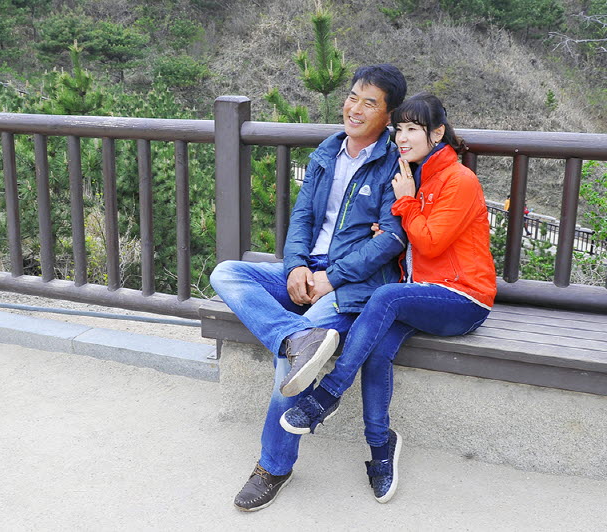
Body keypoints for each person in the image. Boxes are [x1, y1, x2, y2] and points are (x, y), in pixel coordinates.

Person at [278, 92, 497, 503]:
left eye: (413, 129)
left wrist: (406, 203)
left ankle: (327, 395)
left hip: (463, 298)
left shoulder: (458, 179)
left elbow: (430, 242)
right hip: (419, 294)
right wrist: (398, 216)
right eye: (399, 129)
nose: (402, 138)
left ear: (437, 134)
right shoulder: (414, 174)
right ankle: (381, 448)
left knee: (386, 297)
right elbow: (408, 241)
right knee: (377, 353)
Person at [210, 64, 409, 511]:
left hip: (349, 284)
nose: (355, 108)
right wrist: (296, 266)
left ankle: (273, 467)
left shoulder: (393, 164)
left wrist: (330, 278)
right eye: (353, 97)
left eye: (369, 103)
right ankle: (292, 334)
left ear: (388, 115)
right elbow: (302, 217)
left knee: (292, 364)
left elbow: (391, 239)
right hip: (308, 269)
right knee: (226, 273)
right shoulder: (327, 151)